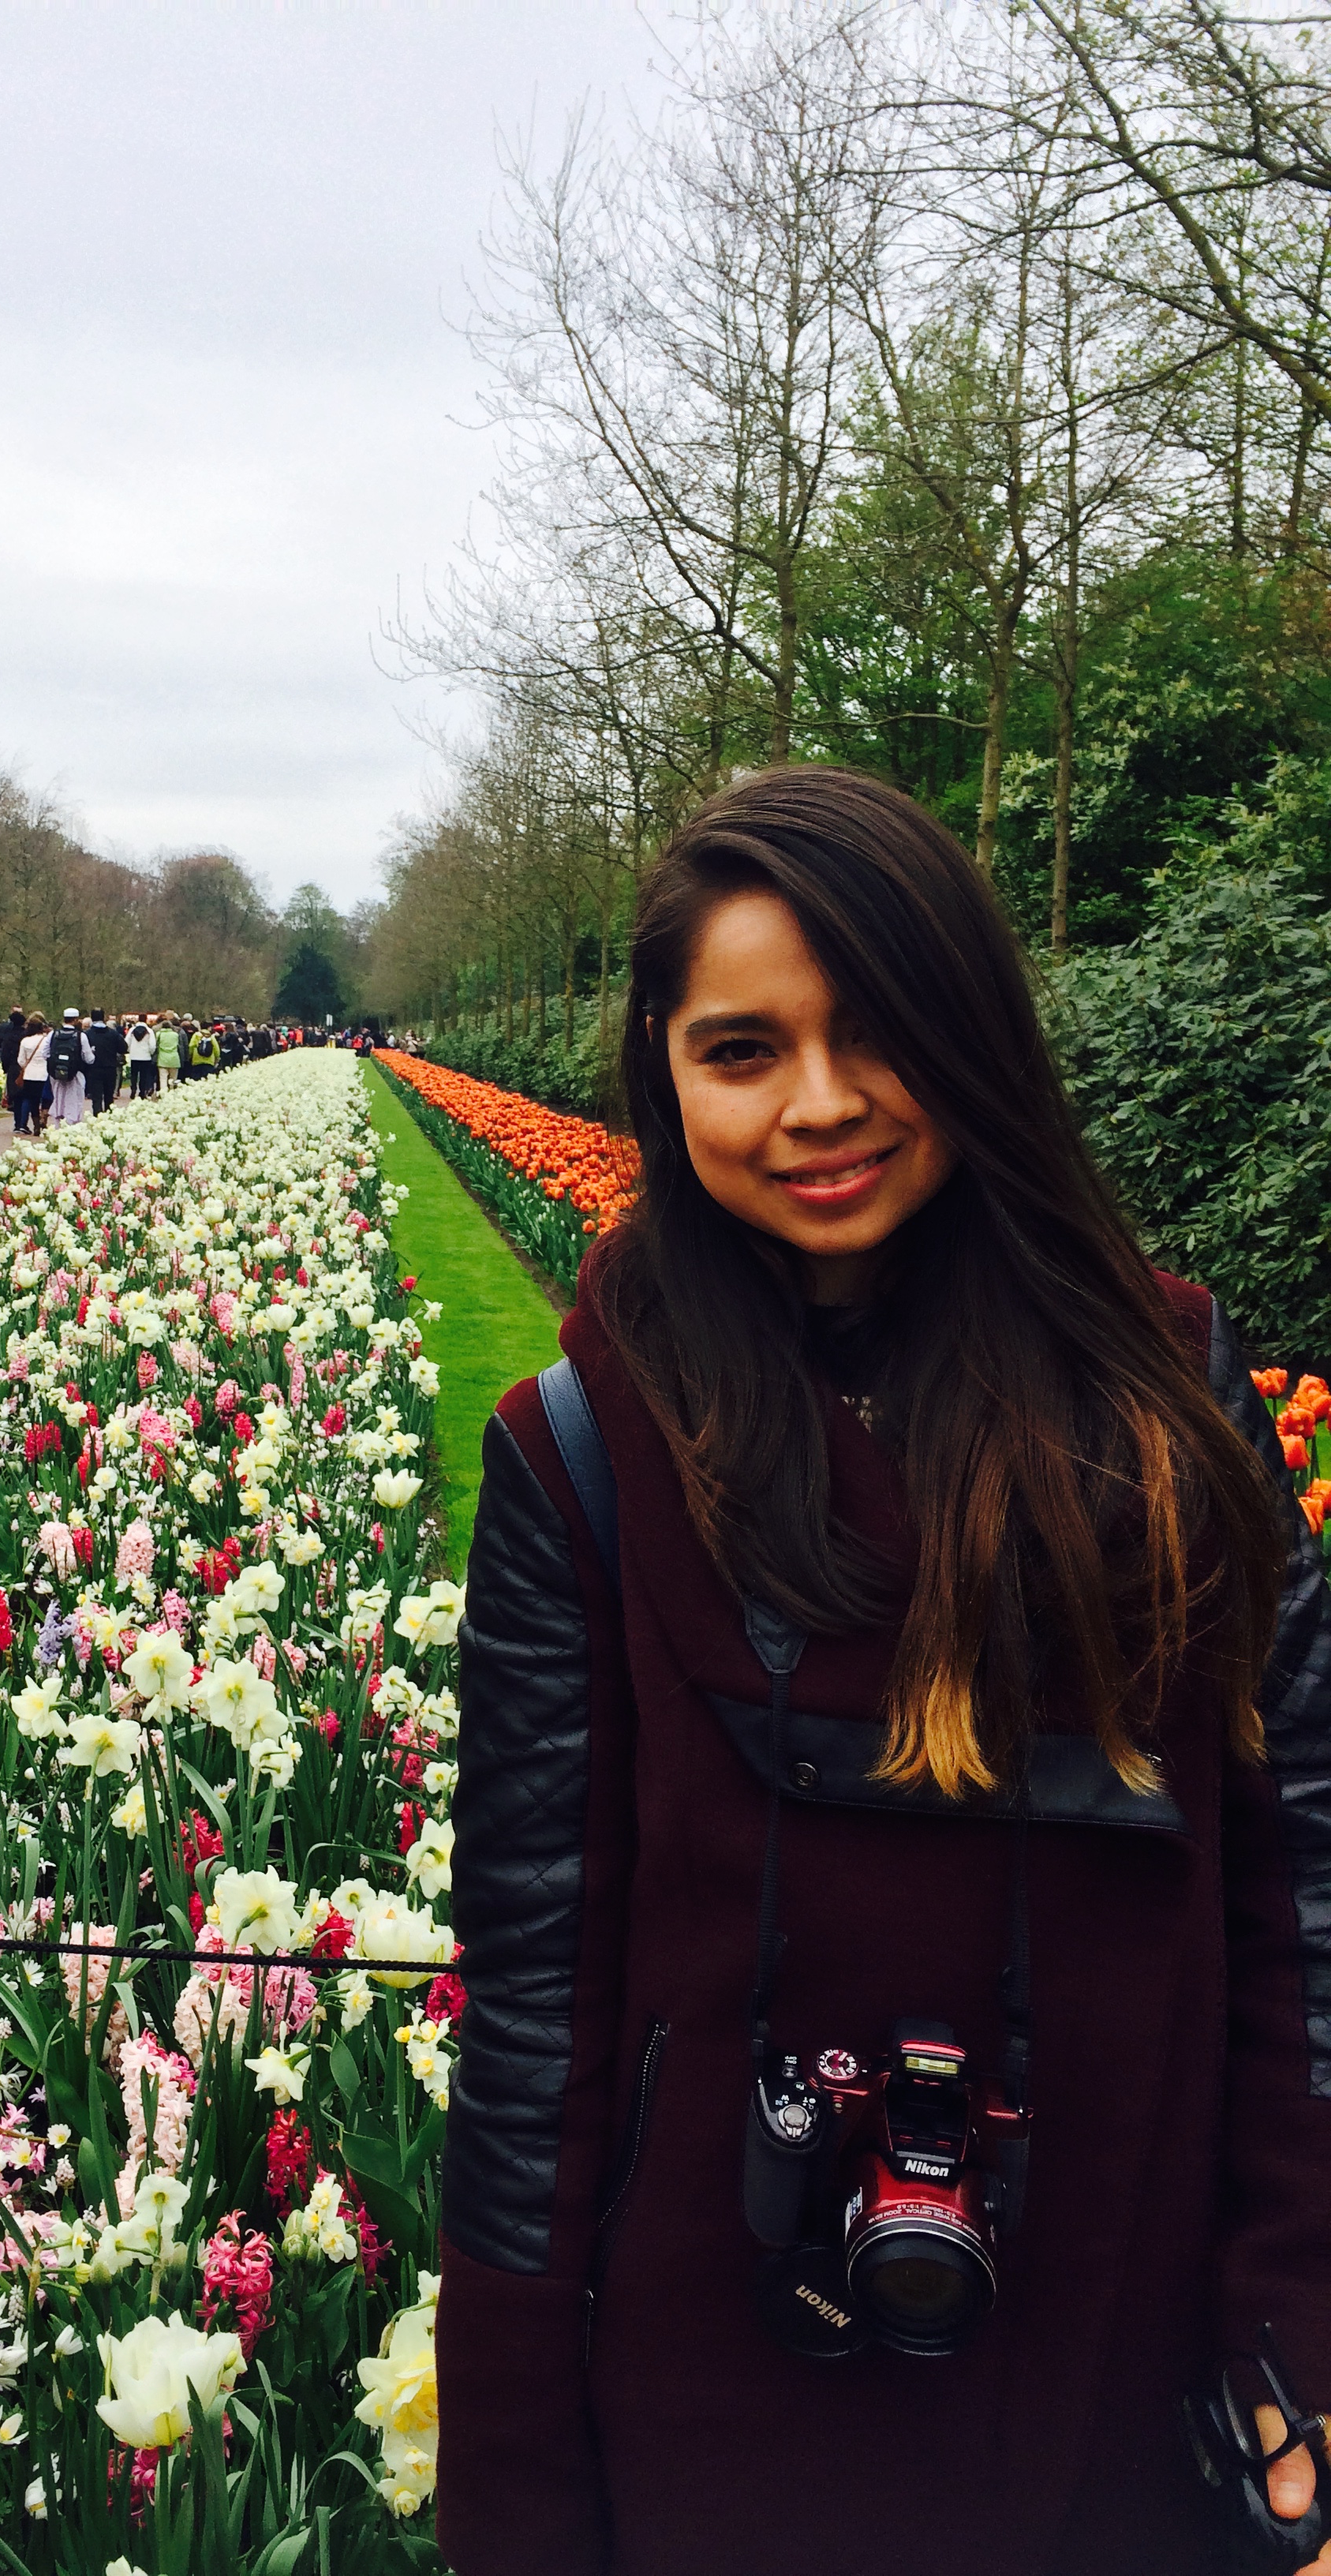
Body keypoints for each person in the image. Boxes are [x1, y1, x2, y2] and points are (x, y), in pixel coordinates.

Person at [434, 766, 1331, 2576]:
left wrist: (1293, 2343)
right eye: (741, 1049)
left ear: (972, 1033)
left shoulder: (1158, 1407)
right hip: (722, 2389)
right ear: (661, 1071)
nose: (818, 1106)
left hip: (1133, 2378)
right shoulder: (588, 1458)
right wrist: (517, 2503)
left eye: (875, 1032)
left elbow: (1300, 1897)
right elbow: (533, 2021)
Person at [45, 1009, 93, 1127]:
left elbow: (45, 1053)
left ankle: (58, 1126)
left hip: (56, 1074)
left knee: (58, 1100)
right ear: (76, 1020)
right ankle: (72, 1127)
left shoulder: (53, 1034)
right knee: (74, 1101)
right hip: (75, 1075)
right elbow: (89, 1059)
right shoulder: (81, 1037)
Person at [13, 1013, 51, 1134]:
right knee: (46, 1099)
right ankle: (43, 1118)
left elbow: (21, 1060)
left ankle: (35, 1125)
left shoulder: (25, 1041)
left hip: (30, 1075)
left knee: (32, 1100)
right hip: (44, 1074)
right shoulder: (46, 1040)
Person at [85, 1009, 125, 1115]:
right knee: (109, 1097)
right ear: (104, 1018)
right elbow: (123, 1048)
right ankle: (109, 1119)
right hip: (110, 1068)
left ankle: (98, 1119)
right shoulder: (113, 1034)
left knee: (97, 1097)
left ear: (92, 1018)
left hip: (94, 1069)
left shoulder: (87, 1034)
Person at [125, 1013, 158, 1099]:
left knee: (134, 1075)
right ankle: (142, 1092)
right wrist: (150, 1053)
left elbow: (127, 1042)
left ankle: (133, 1089)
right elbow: (152, 1045)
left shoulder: (132, 1030)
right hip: (145, 1057)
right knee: (144, 1076)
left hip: (134, 1056)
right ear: (146, 1020)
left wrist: (130, 1051)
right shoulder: (149, 1031)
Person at [155, 1014, 182, 1092]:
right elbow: (179, 1046)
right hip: (174, 1058)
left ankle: (164, 1093)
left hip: (162, 1059)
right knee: (173, 1078)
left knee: (163, 1078)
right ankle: (172, 1092)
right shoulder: (175, 1035)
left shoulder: (159, 1034)